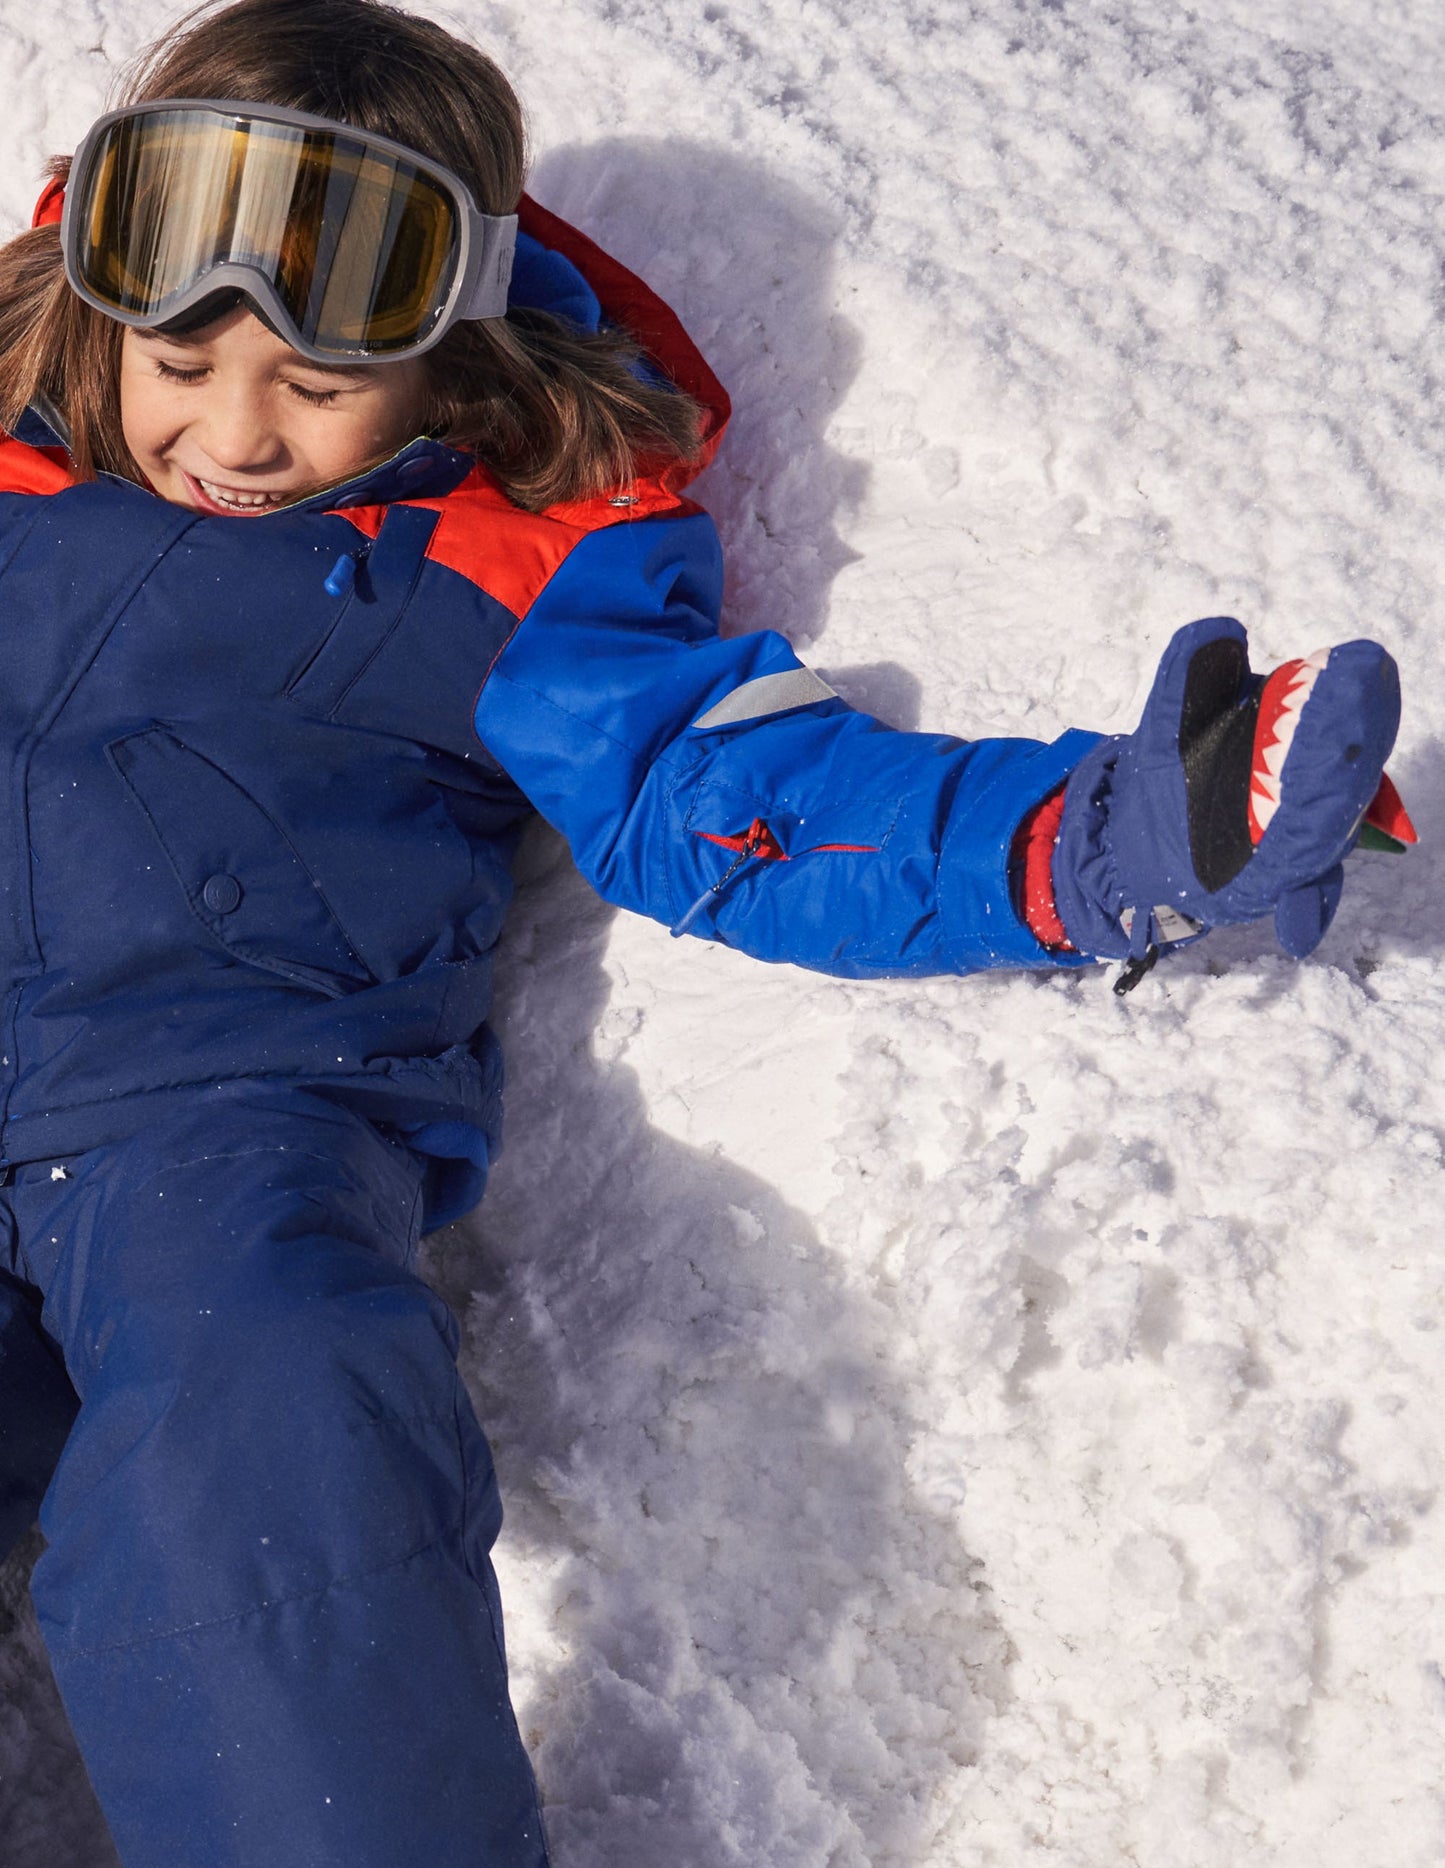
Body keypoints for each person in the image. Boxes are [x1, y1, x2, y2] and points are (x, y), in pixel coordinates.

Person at [0, 0, 1409, 1862]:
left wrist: (1107, 837)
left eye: (318, 383)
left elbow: (739, 799)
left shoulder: (509, 567)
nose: (237, 434)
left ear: (445, 339)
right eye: (183, 360)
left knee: (270, 1431)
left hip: (216, 1126)